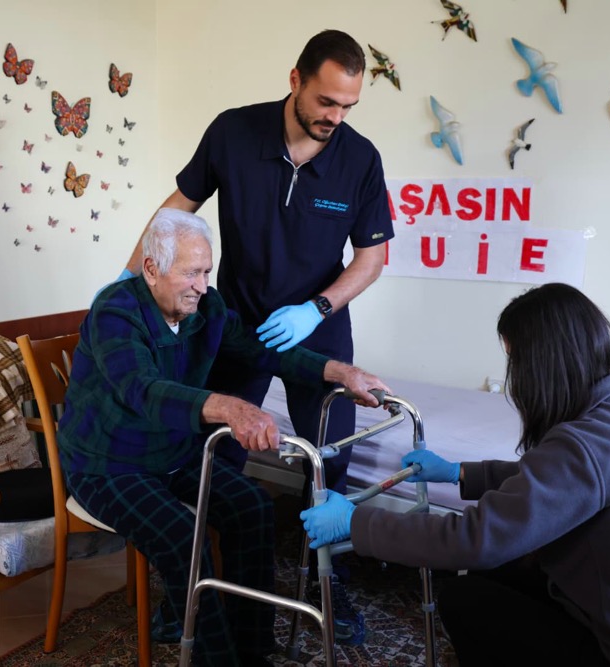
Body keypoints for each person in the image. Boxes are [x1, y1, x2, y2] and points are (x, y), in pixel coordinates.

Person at [112, 28, 393, 645]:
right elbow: (174, 213)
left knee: (331, 463)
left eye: (348, 106)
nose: (335, 118)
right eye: (326, 102)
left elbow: (372, 259)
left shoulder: (360, 159)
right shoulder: (234, 133)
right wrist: (128, 287)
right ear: (295, 81)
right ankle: (192, 581)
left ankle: (330, 580)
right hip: (234, 327)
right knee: (213, 457)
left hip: (315, 331)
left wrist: (316, 308)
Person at [299, 283, 610, 666]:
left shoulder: (584, 446)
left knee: (463, 596)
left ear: (541, 363)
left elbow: (473, 540)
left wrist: (356, 522)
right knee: (503, 571)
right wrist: (459, 473)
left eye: (514, 361)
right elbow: (557, 484)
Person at [60, 209, 390, 667]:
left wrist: (341, 372)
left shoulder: (206, 308)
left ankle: (252, 648)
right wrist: (229, 407)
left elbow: (261, 351)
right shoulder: (115, 311)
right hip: (108, 464)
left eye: (207, 272)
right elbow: (142, 390)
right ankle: (216, 659)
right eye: (191, 272)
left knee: (253, 508)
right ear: (152, 268)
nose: (201, 284)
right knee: (181, 536)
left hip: (172, 453)